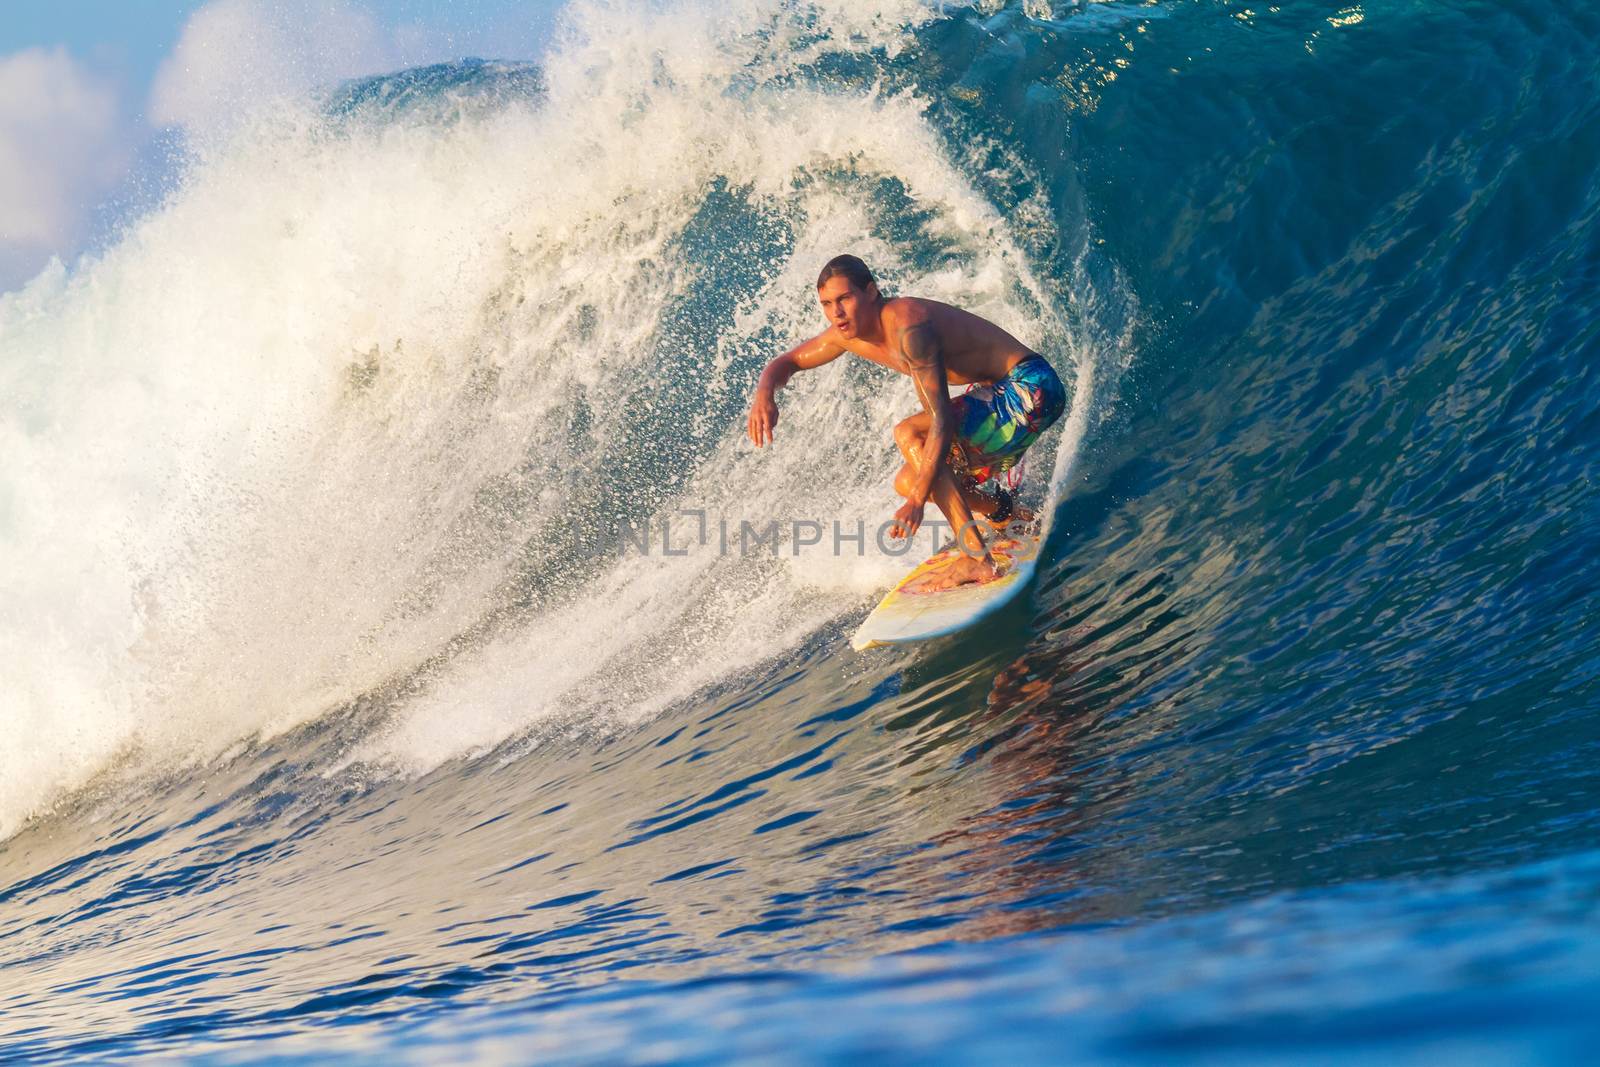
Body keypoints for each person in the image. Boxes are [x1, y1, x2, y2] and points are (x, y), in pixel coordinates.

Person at [746, 254, 1066, 591]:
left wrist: (915, 504)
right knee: (909, 480)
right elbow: (789, 361)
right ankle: (1005, 513)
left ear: (871, 291)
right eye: (827, 303)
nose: (836, 312)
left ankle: (975, 556)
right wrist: (765, 392)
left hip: (1030, 388)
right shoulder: (846, 335)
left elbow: (941, 420)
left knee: (908, 433)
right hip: (1006, 396)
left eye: (844, 298)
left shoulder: (910, 327)